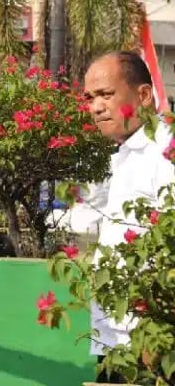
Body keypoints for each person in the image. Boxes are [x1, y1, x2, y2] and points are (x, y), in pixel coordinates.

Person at [83, 50, 174, 384]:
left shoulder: (166, 154)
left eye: (106, 94)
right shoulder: (126, 151)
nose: (95, 107)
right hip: (116, 337)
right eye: (90, 97)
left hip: (149, 343)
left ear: (144, 96)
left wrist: (157, 336)